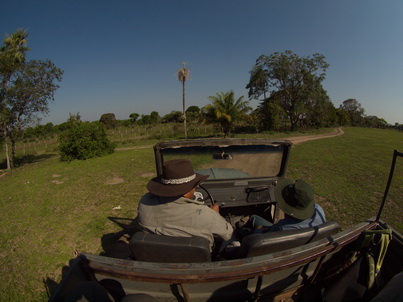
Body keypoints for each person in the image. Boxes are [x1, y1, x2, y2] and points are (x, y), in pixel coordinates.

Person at [137, 159, 233, 252]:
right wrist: (215, 214)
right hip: (197, 263)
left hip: (156, 257)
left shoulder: (144, 203)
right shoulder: (206, 215)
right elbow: (227, 234)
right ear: (186, 193)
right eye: (194, 186)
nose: (195, 189)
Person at [239, 179, 326, 234]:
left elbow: (259, 242)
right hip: (298, 248)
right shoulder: (319, 210)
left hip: (271, 244)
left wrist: (257, 231)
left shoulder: (282, 228)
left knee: (253, 218)